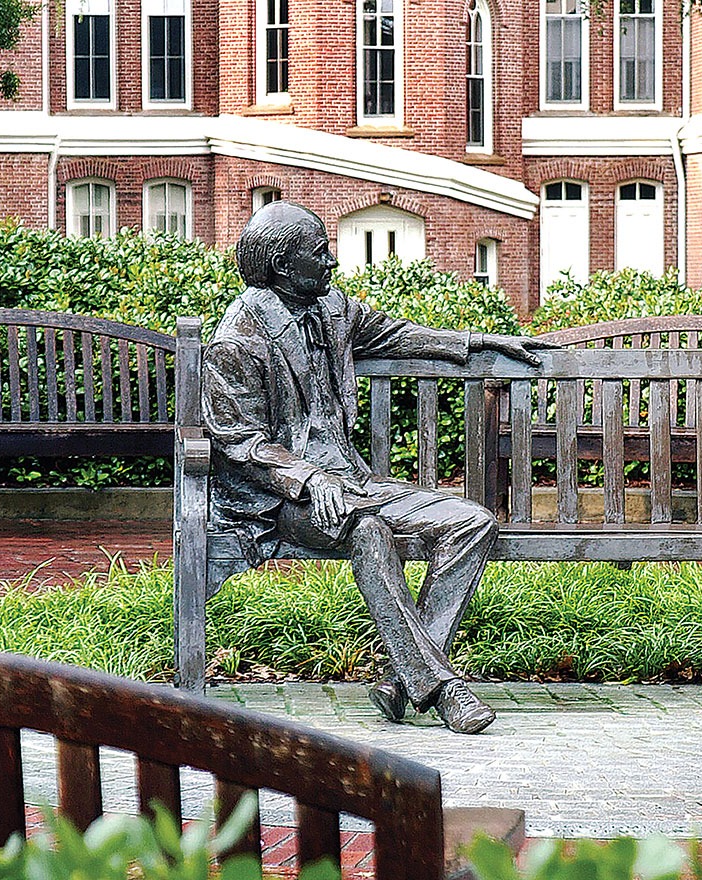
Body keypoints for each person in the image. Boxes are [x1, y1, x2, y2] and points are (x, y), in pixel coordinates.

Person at [202, 201, 551, 733]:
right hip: (276, 501)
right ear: (280, 265)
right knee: (368, 530)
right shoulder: (238, 339)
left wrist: (482, 343)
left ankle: (402, 678)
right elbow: (240, 442)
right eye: (319, 252)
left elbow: (399, 336)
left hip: (350, 481)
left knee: (471, 521)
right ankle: (442, 690)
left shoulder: (332, 308)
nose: (332, 262)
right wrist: (308, 478)